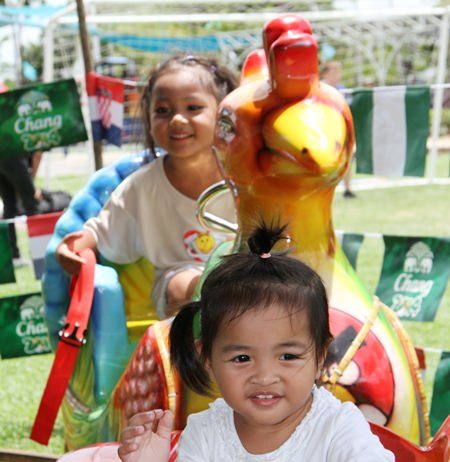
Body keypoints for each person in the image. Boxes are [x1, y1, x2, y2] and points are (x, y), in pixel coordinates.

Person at [118, 224, 394, 461]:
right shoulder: (205, 432)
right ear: (207, 359)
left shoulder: (339, 429)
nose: (264, 376)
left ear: (320, 356)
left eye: (287, 356)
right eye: (242, 358)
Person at [56, 55, 238, 317]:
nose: (177, 119)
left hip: (246, 276)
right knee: (183, 286)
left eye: (193, 107)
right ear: (149, 120)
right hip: (180, 279)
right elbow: (100, 232)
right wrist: (71, 248)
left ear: (222, 114)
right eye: (163, 111)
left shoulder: (247, 177)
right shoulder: (141, 186)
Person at [0, 151, 50, 260]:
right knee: (32, 206)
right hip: (15, 158)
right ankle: (40, 255)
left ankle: (13, 255)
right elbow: (37, 154)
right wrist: (31, 181)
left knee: (9, 207)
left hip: (4, 155)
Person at [320, 60, 356, 199]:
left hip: (340, 129)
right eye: (334, 71)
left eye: (339, 71)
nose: (338, 74)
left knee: (347, 158)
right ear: (325, 73)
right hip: (324, 130)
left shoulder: (342, 90)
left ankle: (347, 189)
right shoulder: (319, 88)